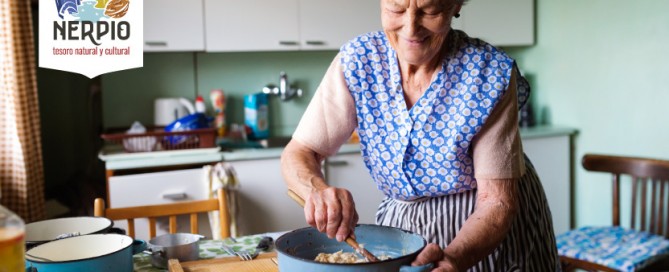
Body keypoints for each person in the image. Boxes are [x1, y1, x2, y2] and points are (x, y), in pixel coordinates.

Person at [281, 0, 560, 270]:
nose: (411, 28)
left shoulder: (489, 73)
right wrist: (316, 190)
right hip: (404, 228)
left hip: (489, 229)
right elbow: (300, 152)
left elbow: (496, 201)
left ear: (456, 6)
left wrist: (455, 258)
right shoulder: (358, 60)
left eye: (430, 10)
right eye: (396, 8)